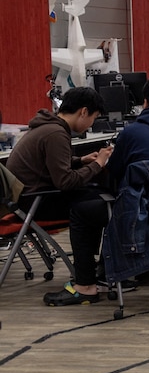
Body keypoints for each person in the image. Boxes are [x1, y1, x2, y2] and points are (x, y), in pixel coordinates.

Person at [40, 77, 149, 305]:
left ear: (145, 103)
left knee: (82, 209)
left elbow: (114, 173)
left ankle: (86, 284)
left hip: (138, 213)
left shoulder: (131, 134)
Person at [6, 87, 113, 304]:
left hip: (27, 198)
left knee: (96, 195)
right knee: (95, 204)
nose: (91, 124)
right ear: (83, 111)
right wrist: (100, 163)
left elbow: (51, 166)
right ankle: (87, 280)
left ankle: (93, 270)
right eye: (93, 117)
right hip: (35, 202)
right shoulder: (55, 134)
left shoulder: (48, 127)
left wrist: (80, 161)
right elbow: (65, 182)